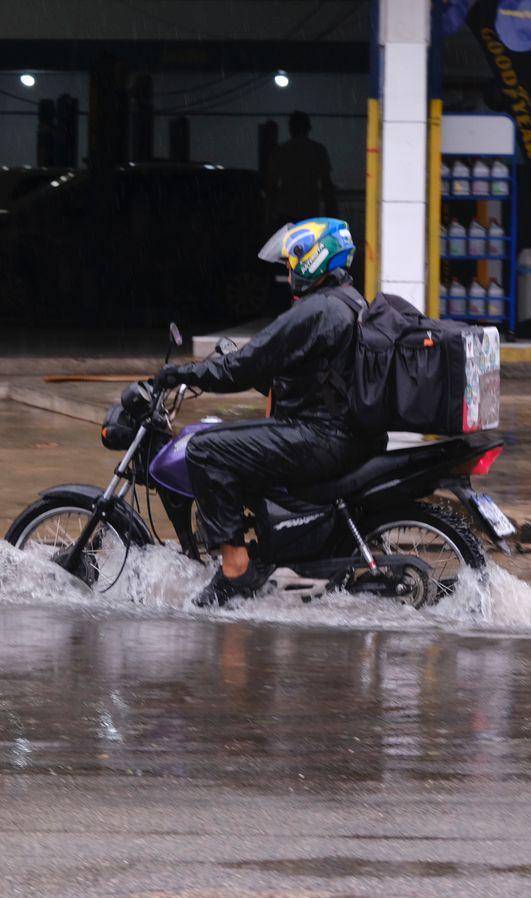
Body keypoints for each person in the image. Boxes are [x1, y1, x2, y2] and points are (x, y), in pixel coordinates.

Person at [152, 218, 380, 608]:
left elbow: (245, 364)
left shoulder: (317, 310)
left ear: (315, 259)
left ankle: (235, 570)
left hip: (320, 436)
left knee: (206, 449)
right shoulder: (348, 300)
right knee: (242, 442)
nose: (289, 270)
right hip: (341, 433)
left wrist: (181, 373)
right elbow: (310, 375)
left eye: (293, 262)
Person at [264, 111, 338, 225]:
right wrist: (332, 212)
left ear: (290, 128)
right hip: (310, 211)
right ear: (308, 127)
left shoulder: (280, 151)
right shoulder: (318, 150)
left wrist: (269, 213)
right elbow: (326, 183)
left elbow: (272, 185)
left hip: (286, 211)